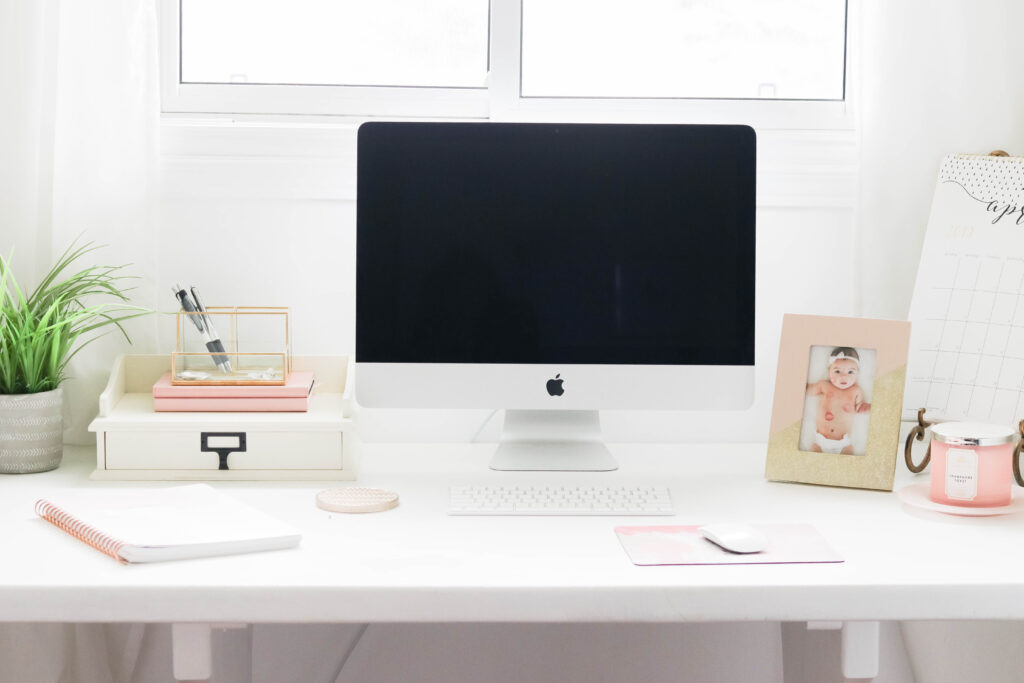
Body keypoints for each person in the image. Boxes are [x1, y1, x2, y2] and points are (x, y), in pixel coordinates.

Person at [806, 347, 870, 454]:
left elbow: (861, 407)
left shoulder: (856, 391)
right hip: (820, 440)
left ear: (857, 373)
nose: (843, 376)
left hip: (844, 443)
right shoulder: (824, 385)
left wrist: (868, 407)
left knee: (849, 459)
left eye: (850, 372)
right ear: (829, 371)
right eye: (837, 371)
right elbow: (808, 390)